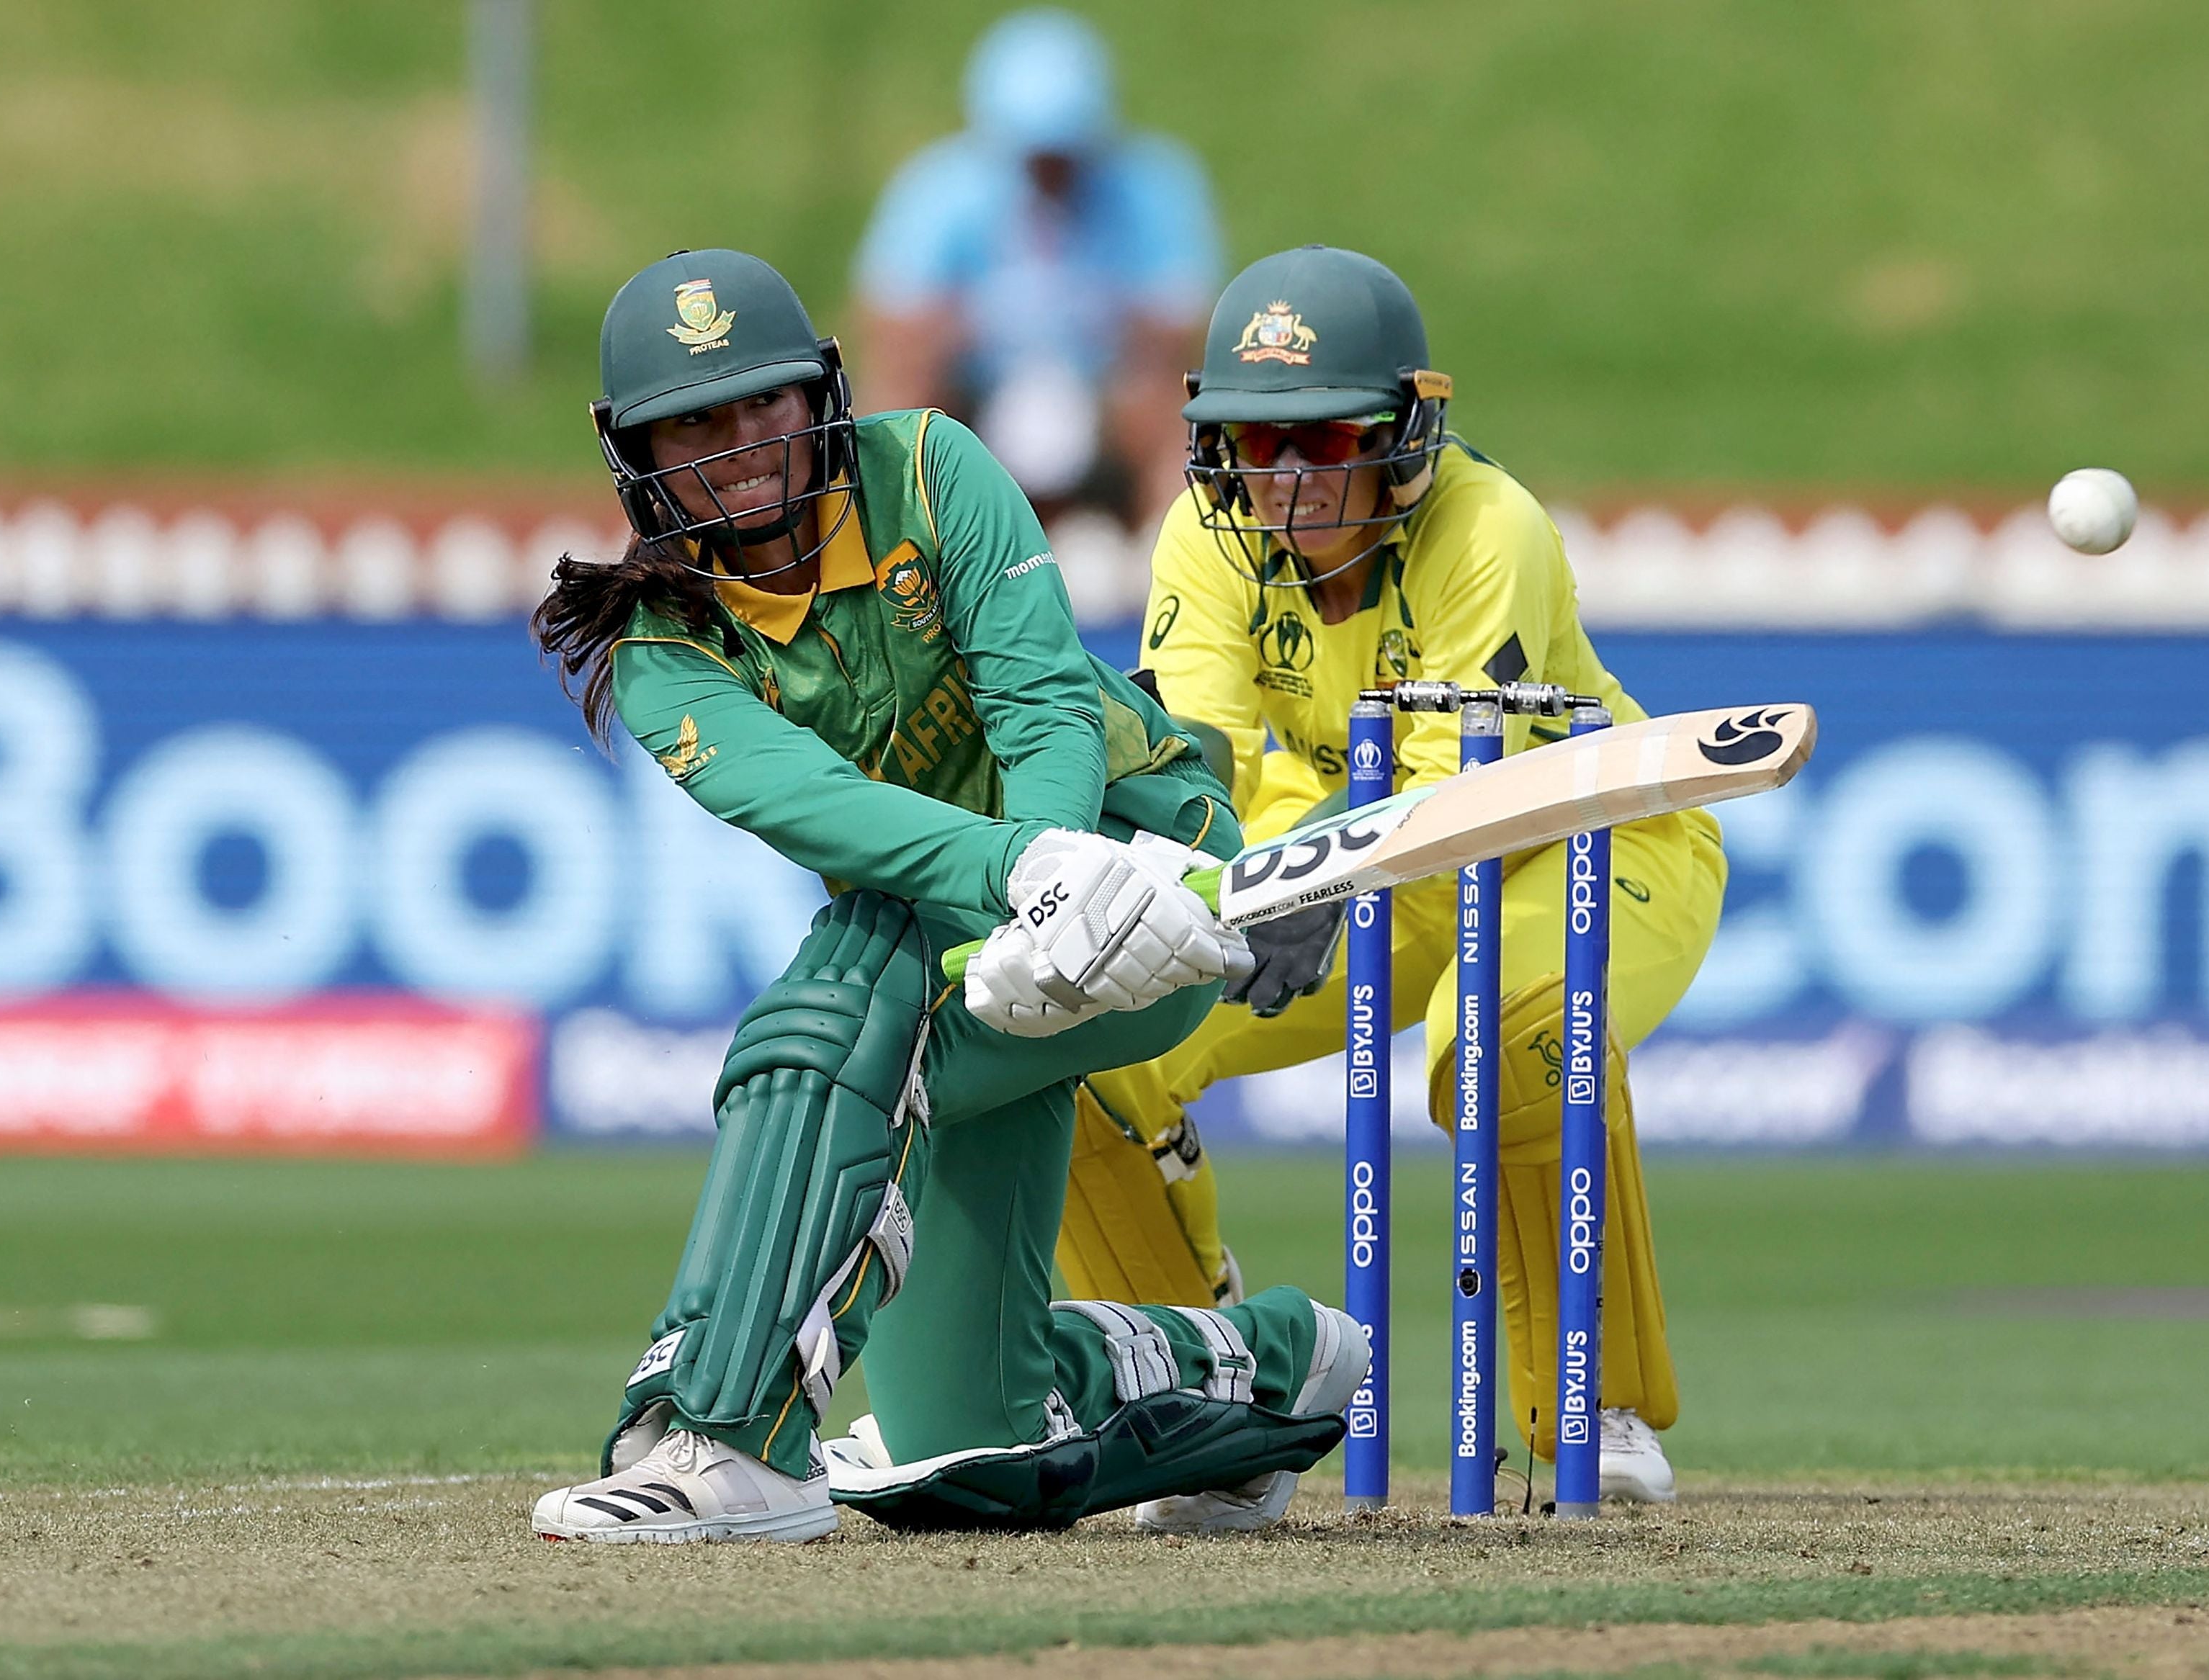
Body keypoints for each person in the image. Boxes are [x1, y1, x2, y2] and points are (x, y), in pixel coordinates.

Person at [525, 248, 1365, 1542]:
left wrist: (1053, 876)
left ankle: (727, 1430)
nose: (741, 443)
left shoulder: (930, 468)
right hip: (977, 928)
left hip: (1147, 876)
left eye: (764, 403)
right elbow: (823, 804)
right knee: (966, 1448)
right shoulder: (658, 649)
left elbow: (1041, 699)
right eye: (695, 420)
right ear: (629, 446)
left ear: (822, 396)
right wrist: (1016, 884)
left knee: (839, 999)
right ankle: (1268, 1365)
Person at [1058, 246, 1728, 1504]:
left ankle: (1596, 1403)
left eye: (1328, 438)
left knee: (1505, 1040)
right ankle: (1200, 1402)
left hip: (1578, 839)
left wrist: (1323, 876)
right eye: (1260, 446)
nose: (1294, 478)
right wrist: (1195, 879)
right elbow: (1194, 747)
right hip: (1338, 837)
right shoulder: (1210, 528)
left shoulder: (1490, 529)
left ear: (1405, 426)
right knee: (1090, 1049)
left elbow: (1453, 794)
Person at [851, 9, 1219, 529]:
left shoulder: (1152, 186)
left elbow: (1180, 327)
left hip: (1104, 386)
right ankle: (889, 542)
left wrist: (1098, 326)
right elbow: (890, 324)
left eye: (1063, 150)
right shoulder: (937, 189)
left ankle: (1169, 550)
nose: (1050, 168)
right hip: (978, 388)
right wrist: (972, 329)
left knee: (1172, 400)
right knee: (897, 395)